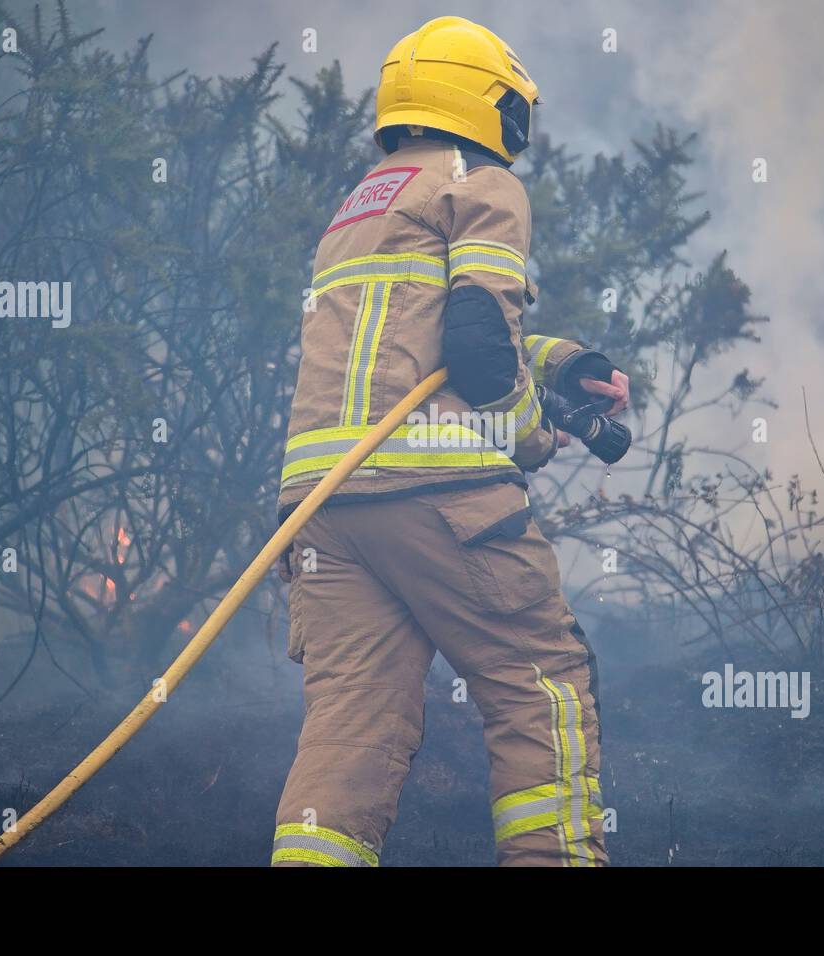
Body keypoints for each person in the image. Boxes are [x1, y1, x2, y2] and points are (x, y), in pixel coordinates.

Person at [271, 15, 629, 867]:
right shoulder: (481, 182)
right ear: (485, 102)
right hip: (437, 491)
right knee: (540, 685)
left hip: (326, 513)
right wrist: (537, 431)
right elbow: (472, 350)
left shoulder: (361, 203)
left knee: (350, 726)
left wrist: (560, 362)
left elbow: (419, 340)